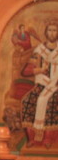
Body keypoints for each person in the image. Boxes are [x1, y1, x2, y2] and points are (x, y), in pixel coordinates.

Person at [21, 19, 58, 147]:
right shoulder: (40, 51)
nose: (52, 33)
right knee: (28, 101)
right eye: (50, 30)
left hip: (56, 85)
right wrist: (39, 70)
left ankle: (49, 138)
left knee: (52, 101)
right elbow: (26, 71)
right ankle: (32, 138)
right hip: (42, 85)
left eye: (55, 30)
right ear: (46, 33)